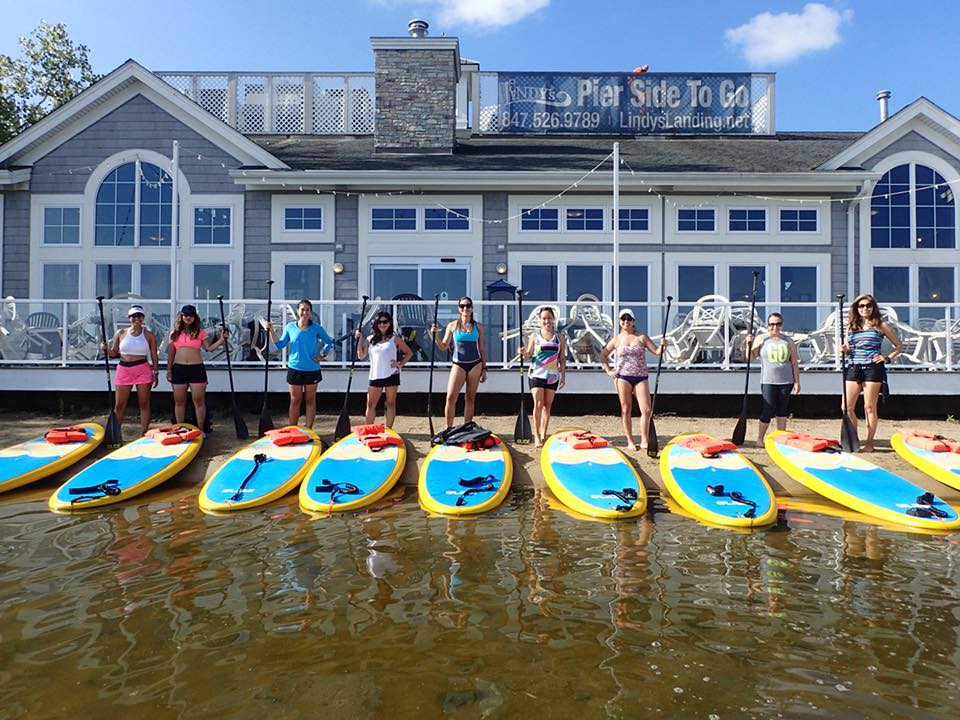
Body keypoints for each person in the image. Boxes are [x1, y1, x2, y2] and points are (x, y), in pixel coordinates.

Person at [840, 293, 902, 452]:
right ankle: (853, 440)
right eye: (861, 306)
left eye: (868, 305)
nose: (865, 308)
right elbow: (849, 349)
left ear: (873, 307)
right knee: (846, 407)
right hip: (854, 367)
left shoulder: (880, 325)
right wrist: (845, 350)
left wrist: (886, 358)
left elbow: (898, 346)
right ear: (856, 308)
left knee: (869, 407)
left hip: (872, 369)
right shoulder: (851, 326)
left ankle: (869, 443)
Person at [600, 308, 666, 451]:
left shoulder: (641, 337)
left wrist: (663, 345)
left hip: (640, 377)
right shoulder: (617, 339)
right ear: (619, 322)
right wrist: (609, 370)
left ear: (633, 321)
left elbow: (657, 352)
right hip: (622, 377)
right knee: (626, 409)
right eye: (623, 319)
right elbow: (603, 355)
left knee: (647, 409)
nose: (626, 321)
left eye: (629, 319)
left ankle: (644, 440)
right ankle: (630, 441)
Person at [262, 298, 333, 429]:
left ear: (311, 313)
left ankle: (308, 428)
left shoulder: (316, 328)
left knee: (310, 400)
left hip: (312, 369)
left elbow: (329, 342)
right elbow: (279, 344)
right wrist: (271, 330)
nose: (304, 313)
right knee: (295, 400)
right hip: (295, 368)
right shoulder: (290, 327)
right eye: (302, 309)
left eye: (307, 310)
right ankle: (292, 429)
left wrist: (323, 355)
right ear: (297, 311)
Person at [166, 304, 228, 434]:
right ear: (181, 316)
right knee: (179, 401)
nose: (188, 317)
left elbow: (209, 348)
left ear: (195, 317)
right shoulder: (174, 334)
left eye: (191, 315)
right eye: (186, 315)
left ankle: (200, 429)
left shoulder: (200, 333)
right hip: (179, 369)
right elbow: (171, 353)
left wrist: (222, 339)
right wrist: (169, 370)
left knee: (199, 401)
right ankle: (180, 428)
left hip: (196, 369)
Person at [102, 305, 160, 435]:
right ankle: (115, 433)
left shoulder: (149, 335)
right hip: (124, 369)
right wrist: (105, 349)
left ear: (143, 318)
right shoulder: (120, 333)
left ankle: (144, 433)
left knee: (144, 403)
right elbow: (113, 353)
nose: (136, 319)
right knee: (119, 405)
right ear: (129, 318)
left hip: (142, 369)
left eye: (139, 316)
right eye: (133, 316)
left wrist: (156, 372)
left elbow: (154, 355)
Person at [431, 296, 487, 429]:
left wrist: (484, 368)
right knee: (450, 397)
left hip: (475, 364)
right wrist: (434, 336)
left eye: (468, 306)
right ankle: (448, 428)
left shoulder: (478, 327)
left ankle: (467, 427)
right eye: (462, 306)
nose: (465, 308)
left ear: (472, 308)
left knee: (470, 398)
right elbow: (443, 346)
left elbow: (482, 349)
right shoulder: (452, 325)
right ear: (459, 309)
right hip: (458, 364)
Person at [746, 312, 801, 444]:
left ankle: (780, 438)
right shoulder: (761, 339)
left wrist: (797, 382)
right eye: (771, 324)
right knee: (768, 409)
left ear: (781, 325)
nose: (774, 327)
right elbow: (750, 358)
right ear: (767, 325)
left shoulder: (788, 341)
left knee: (782, 410)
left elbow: (794, 363)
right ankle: (760, 438)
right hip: (768, 380)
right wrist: (748, 343)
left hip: (786, 381)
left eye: (778, 324)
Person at [355, 311, 414, 428]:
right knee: (371, 404)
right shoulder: (370, 339)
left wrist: (400, 364)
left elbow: (409, 353)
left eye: (385, 322)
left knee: (391, 403)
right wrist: (359, 340)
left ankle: (389, 429)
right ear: (376, 324)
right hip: (375, 375)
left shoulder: (395, 338)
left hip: (392, 374)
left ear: (389, 323)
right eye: (380, 322)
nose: (382, 324)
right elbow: (361, 356)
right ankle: (369, 428)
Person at [520, 305, 566, 447]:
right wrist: (523, 352)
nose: (547, 321)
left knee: (548, 405)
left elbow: (562, 358)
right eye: (544, 318)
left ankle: (543, 433)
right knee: (538, 404)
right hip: (536, 374)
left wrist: (563, 375)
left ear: (553, 319)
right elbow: (528, 355)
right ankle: (537, 436)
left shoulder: (559, 338)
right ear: (540, 320)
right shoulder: (535, 336)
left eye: (549, 318)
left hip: (552, 376)